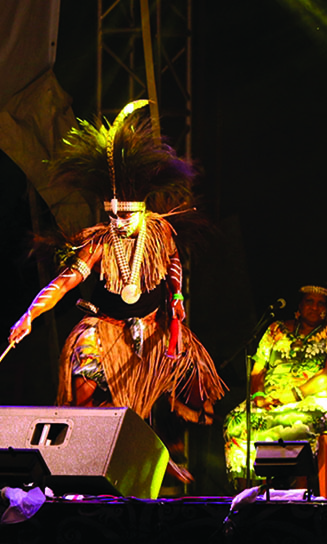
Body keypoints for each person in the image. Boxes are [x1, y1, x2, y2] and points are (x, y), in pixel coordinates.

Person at [6, 100, 226, 481]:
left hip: (154, 328)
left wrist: (176, 302)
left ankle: (157, 455)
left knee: (188, 385)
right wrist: (30, 315)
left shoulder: (160, 233)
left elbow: (173, 267)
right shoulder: (99, 241)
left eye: (125, 216)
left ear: (141, 210)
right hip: (104, 328)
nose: (118, 223)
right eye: (111, 215)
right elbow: (65, 282)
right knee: (86, 382)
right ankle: (79, 463)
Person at [222, 283, 327, 485]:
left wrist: (292, 396)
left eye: (321, 304)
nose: (314, 307)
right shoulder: (276, 329)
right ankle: (249, 492)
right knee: (237, 421)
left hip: (321, 398)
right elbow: (258, 369)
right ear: (300, 305)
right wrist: (259, 396)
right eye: (309, 302)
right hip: (271, 398)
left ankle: (293, 492)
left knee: (294, 422)